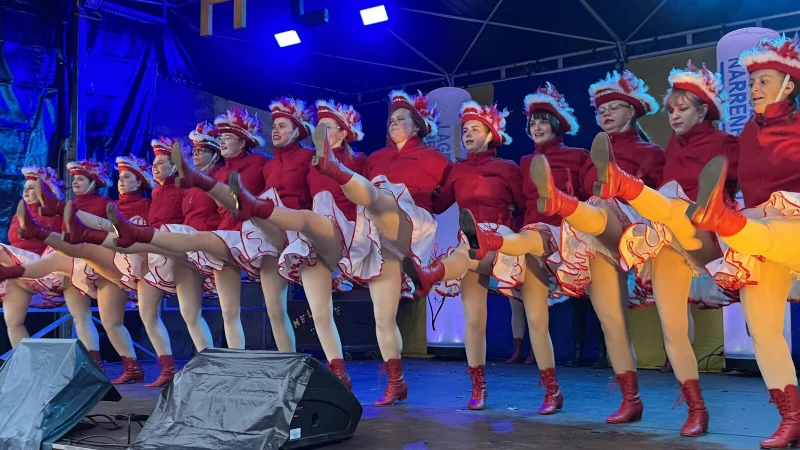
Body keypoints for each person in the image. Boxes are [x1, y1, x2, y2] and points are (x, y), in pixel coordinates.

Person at [592, 61, 739, 436]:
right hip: (670, 234)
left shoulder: (726, 144)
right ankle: (696, 409)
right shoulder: (673, 145)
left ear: (703, 110)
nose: (674, 115)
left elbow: (740, 191)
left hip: (709, 235)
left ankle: (621, 184)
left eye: (682, 108)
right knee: (671, 327)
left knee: (671, 203)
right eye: (671, 109)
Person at [685, 34, 800, 448]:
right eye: (751, 83)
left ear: (788, 85)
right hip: (757, 236)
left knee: (765, 224)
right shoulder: (747, 134)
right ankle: (792, 418)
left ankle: (723, 220)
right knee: (763, 331)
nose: (753, 89)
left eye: (763, 81)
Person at [228, 99, 381, 389]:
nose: (276, 130)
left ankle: (252, 207)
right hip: (301, 239)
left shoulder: (353, 160)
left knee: (311, 212)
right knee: (316, 311)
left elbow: (371, 199)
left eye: (283, 126)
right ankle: (335, 373)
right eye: (274, 126)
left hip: (339, 233)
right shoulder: (293, 165)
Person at [312, 90, 451, 406]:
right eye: (390, 120)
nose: (393, 124)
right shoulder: (374, 159)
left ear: (417, 126)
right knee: (383, 317)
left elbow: (446, 199)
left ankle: (332, 166)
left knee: (384, 195)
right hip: (380, 237)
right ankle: (396, 381)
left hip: (413, 225)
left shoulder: (437, 160)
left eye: (401, 118)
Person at [106, 107, 271, 350]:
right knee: (189, 311)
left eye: (201, 150)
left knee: (232, 311)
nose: (195, 154)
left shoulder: (227, 174)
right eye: (193, 150)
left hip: (219, 242)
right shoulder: (188, 186)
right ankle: (204, 361)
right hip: (188, 251)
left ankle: (236, 363)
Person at [5, 160, 141, 383]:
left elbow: (112, 233)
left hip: (86, 266)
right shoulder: (61, 207)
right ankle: (33, 371)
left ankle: (117, 367)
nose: (75, 182)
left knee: (105, 321)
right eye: (25, 187)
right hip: (55, 270)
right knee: (18, 320)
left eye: (80, 179)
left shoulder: (95, 205)